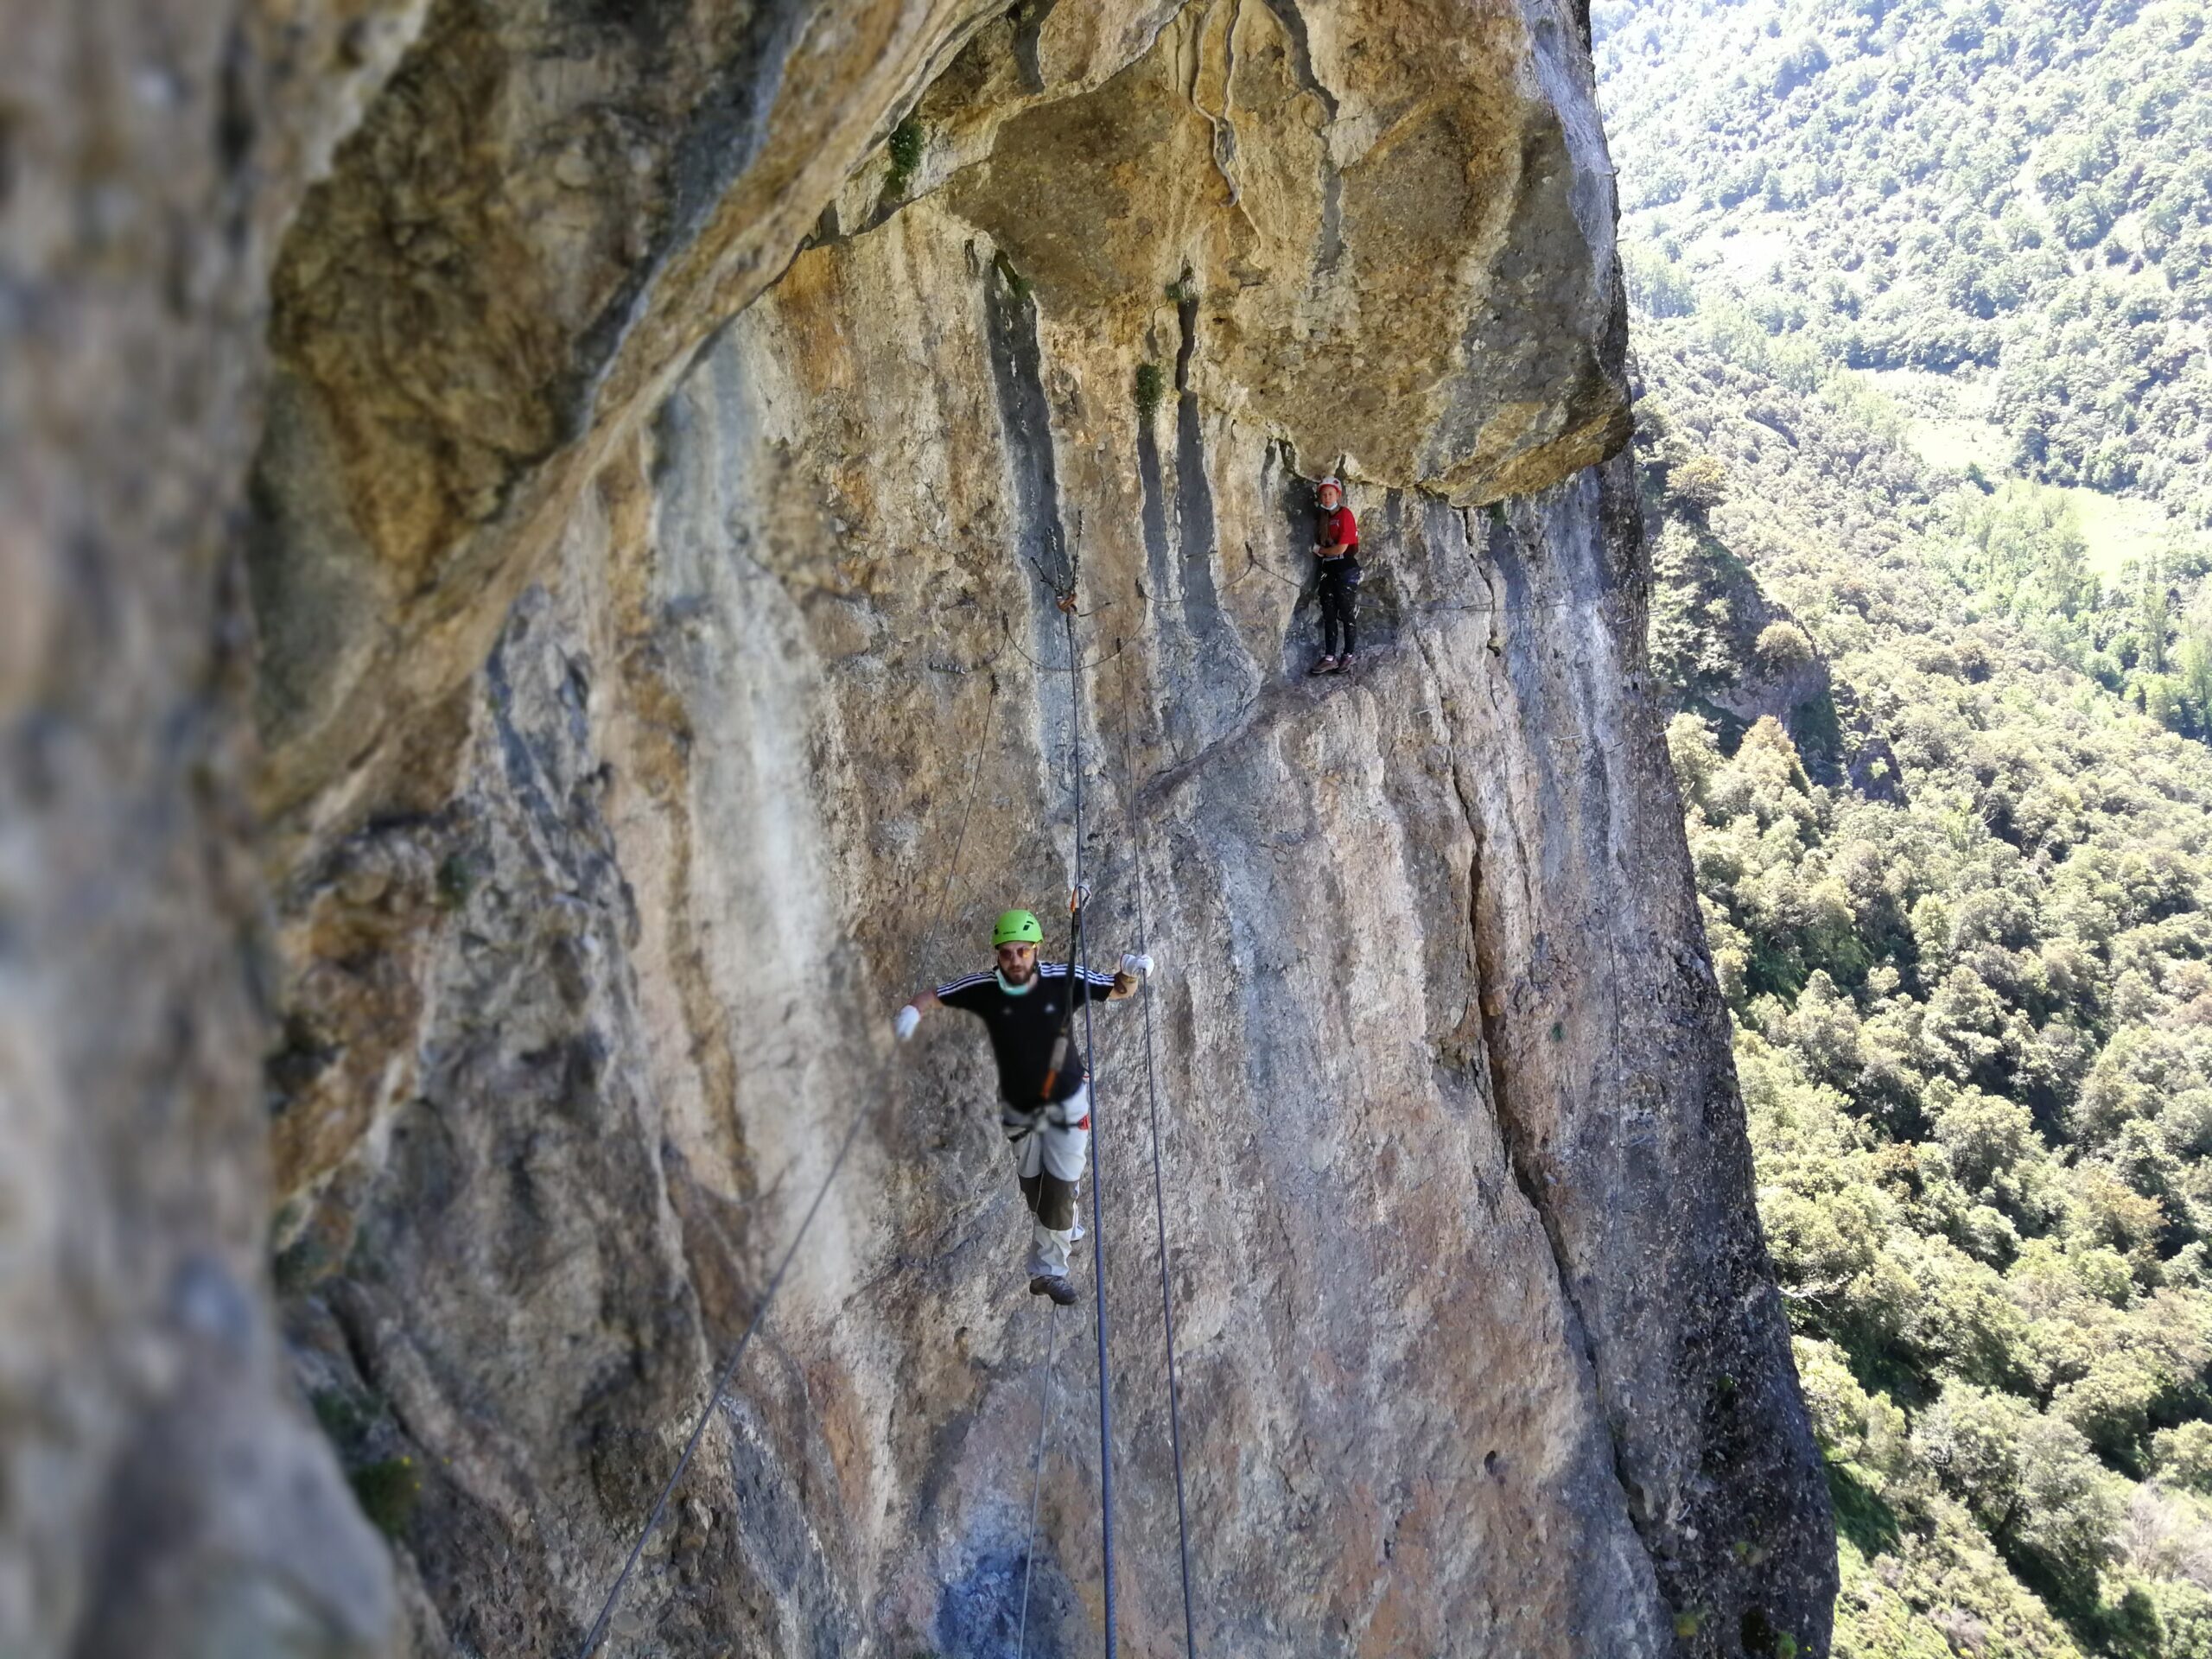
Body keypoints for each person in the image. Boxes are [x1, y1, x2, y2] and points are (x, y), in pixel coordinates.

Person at [894, 903, 1154, 1305]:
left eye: (1023, 950)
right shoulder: (985, 986)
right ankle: (1066, 1221)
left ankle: (1049, 1271)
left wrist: (1130, 971)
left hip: (1068, 1101)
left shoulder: (1062, 978)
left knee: (1059, 1188)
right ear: (997, 955)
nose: (1015, 960)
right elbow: (935, 994)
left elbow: (1119, 990)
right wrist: (913, 1010)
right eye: (1007, 952)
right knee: (1035, 1188)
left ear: (1037, 948)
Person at [1309, 474, 1361, 675]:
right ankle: (1330, 657)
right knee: (1329, 612)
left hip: (1345, 567)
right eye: (1323, 495)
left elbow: (1341, 548)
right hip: (1329, 569)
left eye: (1330, 494)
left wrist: (1319, 551)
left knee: (1346, 613)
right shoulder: (1324, 518)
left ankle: (1348, 654)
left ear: (1337, 495)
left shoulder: (1344, 515)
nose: (1327, 498)